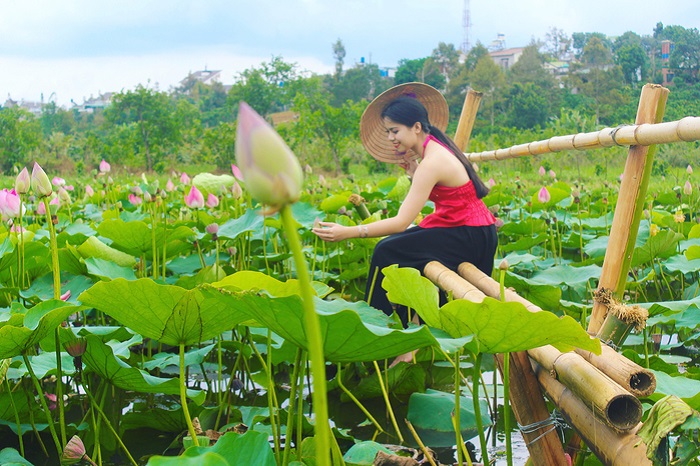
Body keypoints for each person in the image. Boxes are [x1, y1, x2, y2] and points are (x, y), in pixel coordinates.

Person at [312, 82, 497, 332]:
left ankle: (380, 330)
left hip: (468, 235)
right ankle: (405, 329)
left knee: (386, 250)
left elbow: (400, 223)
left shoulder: (432, 161)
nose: (391, 138)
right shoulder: (432, 151)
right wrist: (414, 173)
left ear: (416, 127)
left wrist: (348, 232)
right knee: (391, 249)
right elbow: (450, 196)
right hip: (467, 229)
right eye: (388, 132)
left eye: (394, 131)